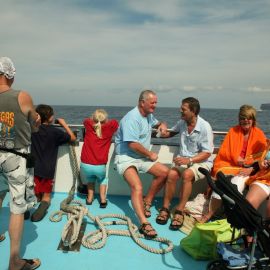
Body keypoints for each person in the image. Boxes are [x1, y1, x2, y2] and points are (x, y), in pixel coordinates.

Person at [0, 57, 41, 270]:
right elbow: (34, 126)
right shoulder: (21, 96)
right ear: (9, 75)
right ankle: (14, 261)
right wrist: (36, 122)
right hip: (15, 157)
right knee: (17, 207)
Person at [114, 89, 169, 238]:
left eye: (156, 102)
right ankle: (144, 223)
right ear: (142, 103)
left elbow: (159, 123)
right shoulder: (132, 118)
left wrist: (162, 125)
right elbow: (132, 144)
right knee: (137, 186)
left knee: (165, 173)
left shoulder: (148, 115)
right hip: (126, 157)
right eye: (152, 103)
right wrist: (150, 154)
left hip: (140, 157)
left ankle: (147, 202)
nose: (155, 105)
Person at [156, 97, 214, 230]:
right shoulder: (182, 122)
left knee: (187, 174)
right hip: (184, 160)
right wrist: (160, 131)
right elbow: (170, 134)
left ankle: (179, 211)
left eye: (183, 109)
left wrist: (189, 160)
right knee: (171, 174)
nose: (180, 111)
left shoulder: (205, 126)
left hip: (201, 162)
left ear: (193, 111)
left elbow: (207, 153)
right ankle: (165, 207)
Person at [202, 105, 267, 222]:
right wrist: (237, 159)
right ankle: (211, 213)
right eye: (242, 118)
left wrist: (250, 167)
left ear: (253, 120)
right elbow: (225, 151)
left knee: (235, 185)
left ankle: (231, 217)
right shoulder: (233, 131)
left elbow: (261, 159)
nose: (245, 120)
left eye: (248, 118)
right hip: (230, 164)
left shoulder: (260, 135)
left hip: (249, 170)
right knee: (222, 181)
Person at [31, 104, 76, 222]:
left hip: (33, 167)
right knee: (46, 196)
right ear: (50, 118)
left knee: (35, 193)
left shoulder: (32, 129)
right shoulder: (55, 132)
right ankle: (43, 207)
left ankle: (29, 207)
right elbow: (72, 138)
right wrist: (63, 124)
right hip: (48, 168)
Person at [80, 109, 118, 208]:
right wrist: (104, 122)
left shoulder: (88, 124)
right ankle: (103, 200)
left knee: (90, 178)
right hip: (100, 165)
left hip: (85, 164)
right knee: (102, 179)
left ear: (93, 118)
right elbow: (115, 122)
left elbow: (86, 120)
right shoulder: (110, 127)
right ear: (105, 119)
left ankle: (89, 199)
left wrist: (95, 120)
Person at [245, 140, 270, 218]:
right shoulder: (268, 146)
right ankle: (248, 228)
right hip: (265, 178)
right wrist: (264, 163)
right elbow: (260, 160)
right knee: (249, 203)